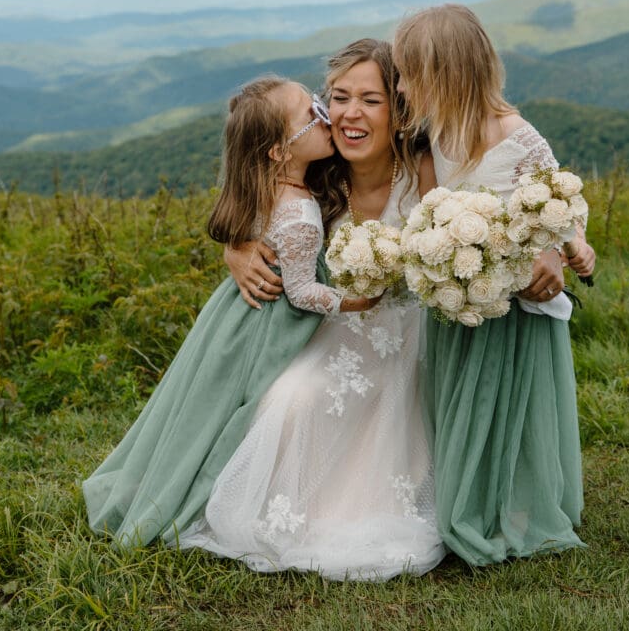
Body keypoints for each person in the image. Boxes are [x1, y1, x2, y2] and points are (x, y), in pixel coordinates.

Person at [179, 40, 445, 579]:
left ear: (400, 109)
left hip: (414, 331)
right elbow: (251, 189)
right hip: (335, 328)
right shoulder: (320, 171)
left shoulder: (424, 170)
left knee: (398, 414)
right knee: (292, 397)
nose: (348, 114)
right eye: (338, 97)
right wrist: (236, 247)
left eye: (371, 100)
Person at [83, 76, 380, 549]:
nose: (326, 116)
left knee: (209, 404)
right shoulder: (301, 213)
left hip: (230, 318)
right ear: (279, 152)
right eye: (312, 114)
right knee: (247, 404)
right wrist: (355, 301)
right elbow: (303, 293)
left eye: (320, 105)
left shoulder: (265, 189)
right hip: (272, 323)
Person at [392, 3, 595, 566]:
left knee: (506, 408)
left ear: (446, 73)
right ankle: (460, 492)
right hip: (461, 304)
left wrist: (562, 250)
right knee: (459, 401)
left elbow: (560, 206)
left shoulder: (518, 137)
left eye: (410, 73)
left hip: (515, 309)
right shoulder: (434, 133)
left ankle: (506, 504)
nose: (402, 85)